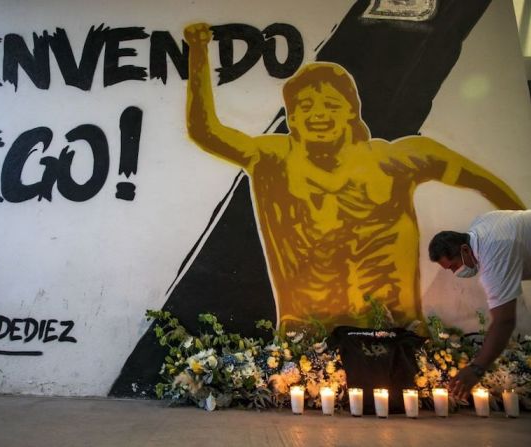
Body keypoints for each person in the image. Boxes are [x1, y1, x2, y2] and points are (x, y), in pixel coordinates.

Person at [184, 23, 525, 332]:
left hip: (399, 326)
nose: (318, 114)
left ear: (351, 110)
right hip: (306, 328)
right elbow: (205, 131)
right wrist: (198, 52)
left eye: (331, 105)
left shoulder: (399, 160)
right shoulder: (271, 160)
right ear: (292, 118)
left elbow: (484, 181)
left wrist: (524, 240)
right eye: (305, 106)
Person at [428, 210, 530, 399]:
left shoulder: (494, 254)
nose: (455, 273)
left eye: (453, 266)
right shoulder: (481, 225)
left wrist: (476, 368)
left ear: (465, 250)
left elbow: (504, 321)